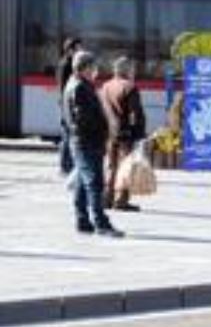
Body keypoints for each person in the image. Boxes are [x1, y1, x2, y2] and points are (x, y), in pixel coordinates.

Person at [63, 51, 123, 237]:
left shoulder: (78, 85)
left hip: (84, 141)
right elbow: (83, 119)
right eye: (92, 67)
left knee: (83, 182)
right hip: (87, 142)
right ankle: (101, 223)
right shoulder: (79, 87)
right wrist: (102, 129)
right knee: (94, 183)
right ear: (83, 68)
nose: (95, 71)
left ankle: (82, 221)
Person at [99, 56, 146, 211]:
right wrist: (138, 133)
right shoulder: (130, 87)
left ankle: (107, 198)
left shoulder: (105, 86)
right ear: (127, 70)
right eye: (132, 68)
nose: (134, 71)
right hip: (126, 133)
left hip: (109, 133)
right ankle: (121, 200)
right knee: (126, 167)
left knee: (111, 166)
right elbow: (135, 113)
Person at [56, 37, 82, 175]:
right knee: (67, 135)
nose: (80, 50)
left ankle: (67, 165)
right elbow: (63, 88)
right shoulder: (65, 65)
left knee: (68, 135)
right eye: (78, 48)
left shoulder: (69, 63)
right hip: (66, 104)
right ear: (70, 49)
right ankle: (65, 166)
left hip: (66, 103)